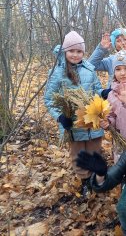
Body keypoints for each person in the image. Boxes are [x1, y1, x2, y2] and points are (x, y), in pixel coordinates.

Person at [44, 31, 111, 196]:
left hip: (92, 121)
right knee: (79, 155)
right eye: (71, 51)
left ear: (83, 52)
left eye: (79, 51)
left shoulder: (89, 68)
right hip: (73, 125)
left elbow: (96, 89)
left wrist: (104, 93)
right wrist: (60, 117)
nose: (75, 55)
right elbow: (49, 100)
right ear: (65, 51)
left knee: (94, 152)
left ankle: (96, 178)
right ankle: (85, 181)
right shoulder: (57, 72)